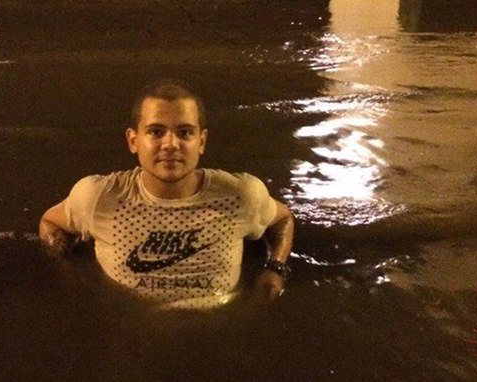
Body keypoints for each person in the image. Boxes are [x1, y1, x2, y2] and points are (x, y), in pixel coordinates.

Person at [39, 79, 294, 309]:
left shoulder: (240, 196)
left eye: (185, 132)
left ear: (201, 141)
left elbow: (283, 219)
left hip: (216, 330)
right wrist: (67, 271)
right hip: (131, 328)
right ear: (133, 140)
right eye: (156, 132)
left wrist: (275, 269)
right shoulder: (99, 198)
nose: (171, 144)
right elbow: (50, 222)